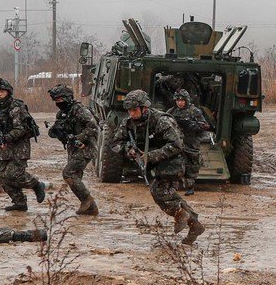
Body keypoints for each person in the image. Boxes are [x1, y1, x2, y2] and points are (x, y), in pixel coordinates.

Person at [110, 89, 205, 245]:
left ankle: (183, 216)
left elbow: (177, 145)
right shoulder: (128, 124)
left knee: (158, 190)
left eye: (134, 110)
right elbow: (115, 144)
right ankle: (194, 225)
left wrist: (150, 155)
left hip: (173, 161)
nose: (132, 114)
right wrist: (129, 150)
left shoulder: (162, 120)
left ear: (144, 108)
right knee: (165, 194)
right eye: (129, 110)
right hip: (153, 163)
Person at [0, 78, 48, 212]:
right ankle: (19, 203)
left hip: (19, 147)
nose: (0, 94)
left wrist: (6, 138)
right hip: (4, 148)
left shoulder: (16, 107)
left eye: (2, 92)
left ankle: (36, 184)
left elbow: (21, 129)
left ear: (8, 92)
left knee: (14, 174)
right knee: (3, 178)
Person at [47, 84, 100, 216]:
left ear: (68, 98)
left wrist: (78, 138)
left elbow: (93, 127)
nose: (58, 103)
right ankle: (91, 207)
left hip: (85, 147)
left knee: (69, 173)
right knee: (76, 176)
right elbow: (57, 129)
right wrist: (56, 131)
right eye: (56, 100)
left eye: (60, 99)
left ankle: (87, 200)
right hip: (73, 149)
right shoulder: (63, 113)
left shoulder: (79, 110)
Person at [167, 89, 216, 196]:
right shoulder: (171, 111)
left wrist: (191, 125)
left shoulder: (194, 111)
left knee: (191, 165)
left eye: (182, 100)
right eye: (178, 100)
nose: (180, 102)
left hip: (191, 141)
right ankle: (173, 186)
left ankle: (190, 187)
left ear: (186, 100)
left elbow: (205, 125)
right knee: (174, 163)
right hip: (176, 141)